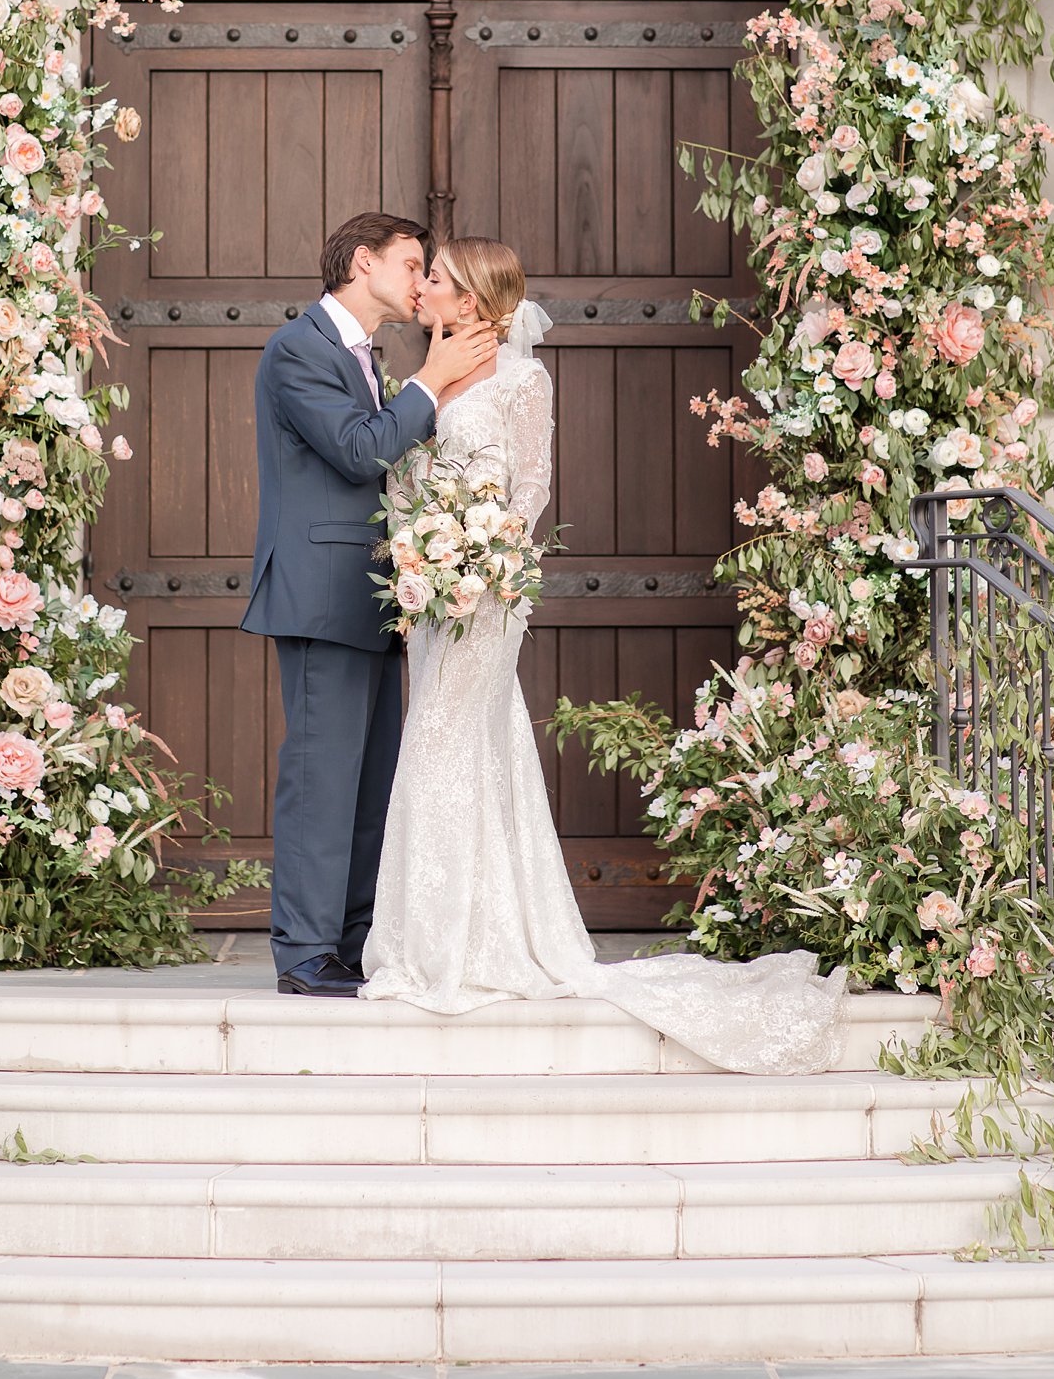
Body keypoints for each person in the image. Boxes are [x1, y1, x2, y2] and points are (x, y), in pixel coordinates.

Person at [359, 236, 850, 1074]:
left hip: (488, 588)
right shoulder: (424, 374)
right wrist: (420, 550)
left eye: (435, 277)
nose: (423, 286)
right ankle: (459, 932)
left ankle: (449, 945)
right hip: (435, 594)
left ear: (471, 299)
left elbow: (531, 490)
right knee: (460, 745)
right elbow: (402, 477)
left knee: (444, 741)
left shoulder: (522, 379)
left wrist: (486, 560)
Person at [243, 211, 497, 997]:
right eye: (412, 264)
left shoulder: (360, 354)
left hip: (377, 598)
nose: (423, 282)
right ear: (363, 262)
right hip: (321, 597)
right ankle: (305, 952)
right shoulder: (298, 350)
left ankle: (350, 940)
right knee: (322, 779)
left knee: (368, 780)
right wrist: (432, 379)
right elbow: (360, 450)